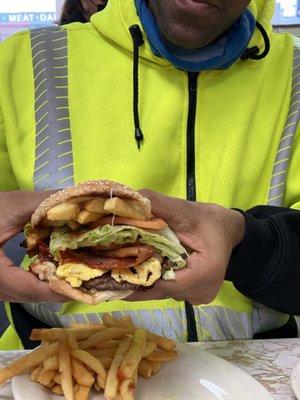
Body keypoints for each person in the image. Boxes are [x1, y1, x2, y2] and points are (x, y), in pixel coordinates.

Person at [0, 0, 300, 350]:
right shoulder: (25, 61)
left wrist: (248, 244)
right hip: (53, 364)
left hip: (255, 370)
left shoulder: (294, 74)